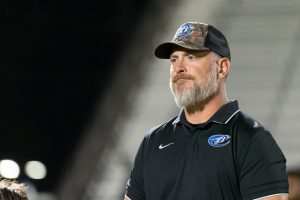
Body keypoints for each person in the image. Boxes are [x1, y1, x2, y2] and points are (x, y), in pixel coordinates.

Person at [124, 22, 289, 200]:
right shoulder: (153, 141)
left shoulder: (252, 139)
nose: (178, 68)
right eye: (174, 59)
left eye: (191, 57)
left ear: (222, 68)